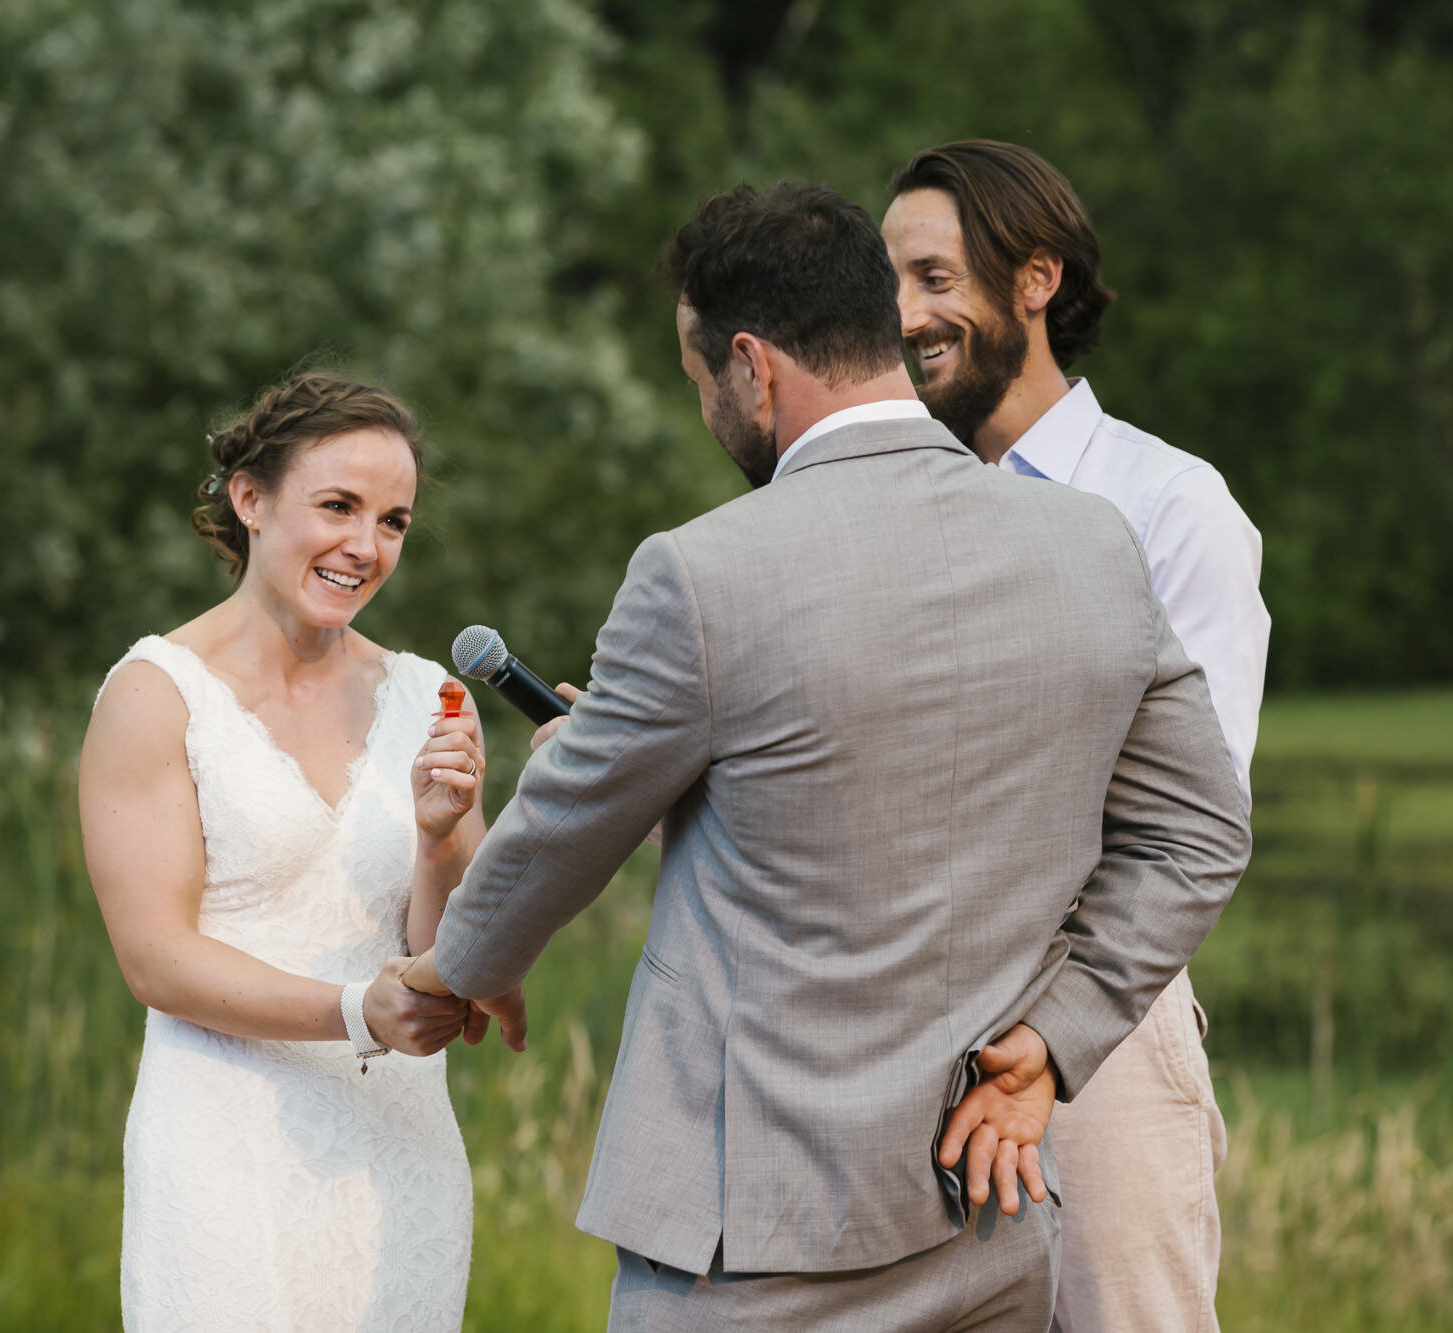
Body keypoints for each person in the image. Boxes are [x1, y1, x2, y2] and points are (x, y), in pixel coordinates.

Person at [399, 182, 1251, 1330]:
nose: (709, 409)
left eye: (701, 384)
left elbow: (563, 822)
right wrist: (1054, 1036)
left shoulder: (701, 572)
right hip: (987, 1215)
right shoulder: (1090, 544)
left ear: (751, 365)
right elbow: (1200, 829)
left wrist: (459, 967)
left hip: (758, 1245)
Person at [882, 140, 1272, 1333]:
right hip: (903, 1024)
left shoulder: (1168, 505)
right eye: (890, 283)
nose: (904, 315)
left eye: (934, 277)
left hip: (1098, 1020)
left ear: (1036, 280)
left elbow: (1185, 823)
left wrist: (1050, 1044)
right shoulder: (888, 517)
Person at [78, 372, 520, 1331]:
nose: (365, 546)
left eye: (393, 521)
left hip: (395, 1156)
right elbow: (155, 956)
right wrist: (356, 1009)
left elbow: (460, 960)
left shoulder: (428, 696)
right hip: (225, 1153)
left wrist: (442, 837)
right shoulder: (157, 696)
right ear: (250, 499)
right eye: (338, 506)